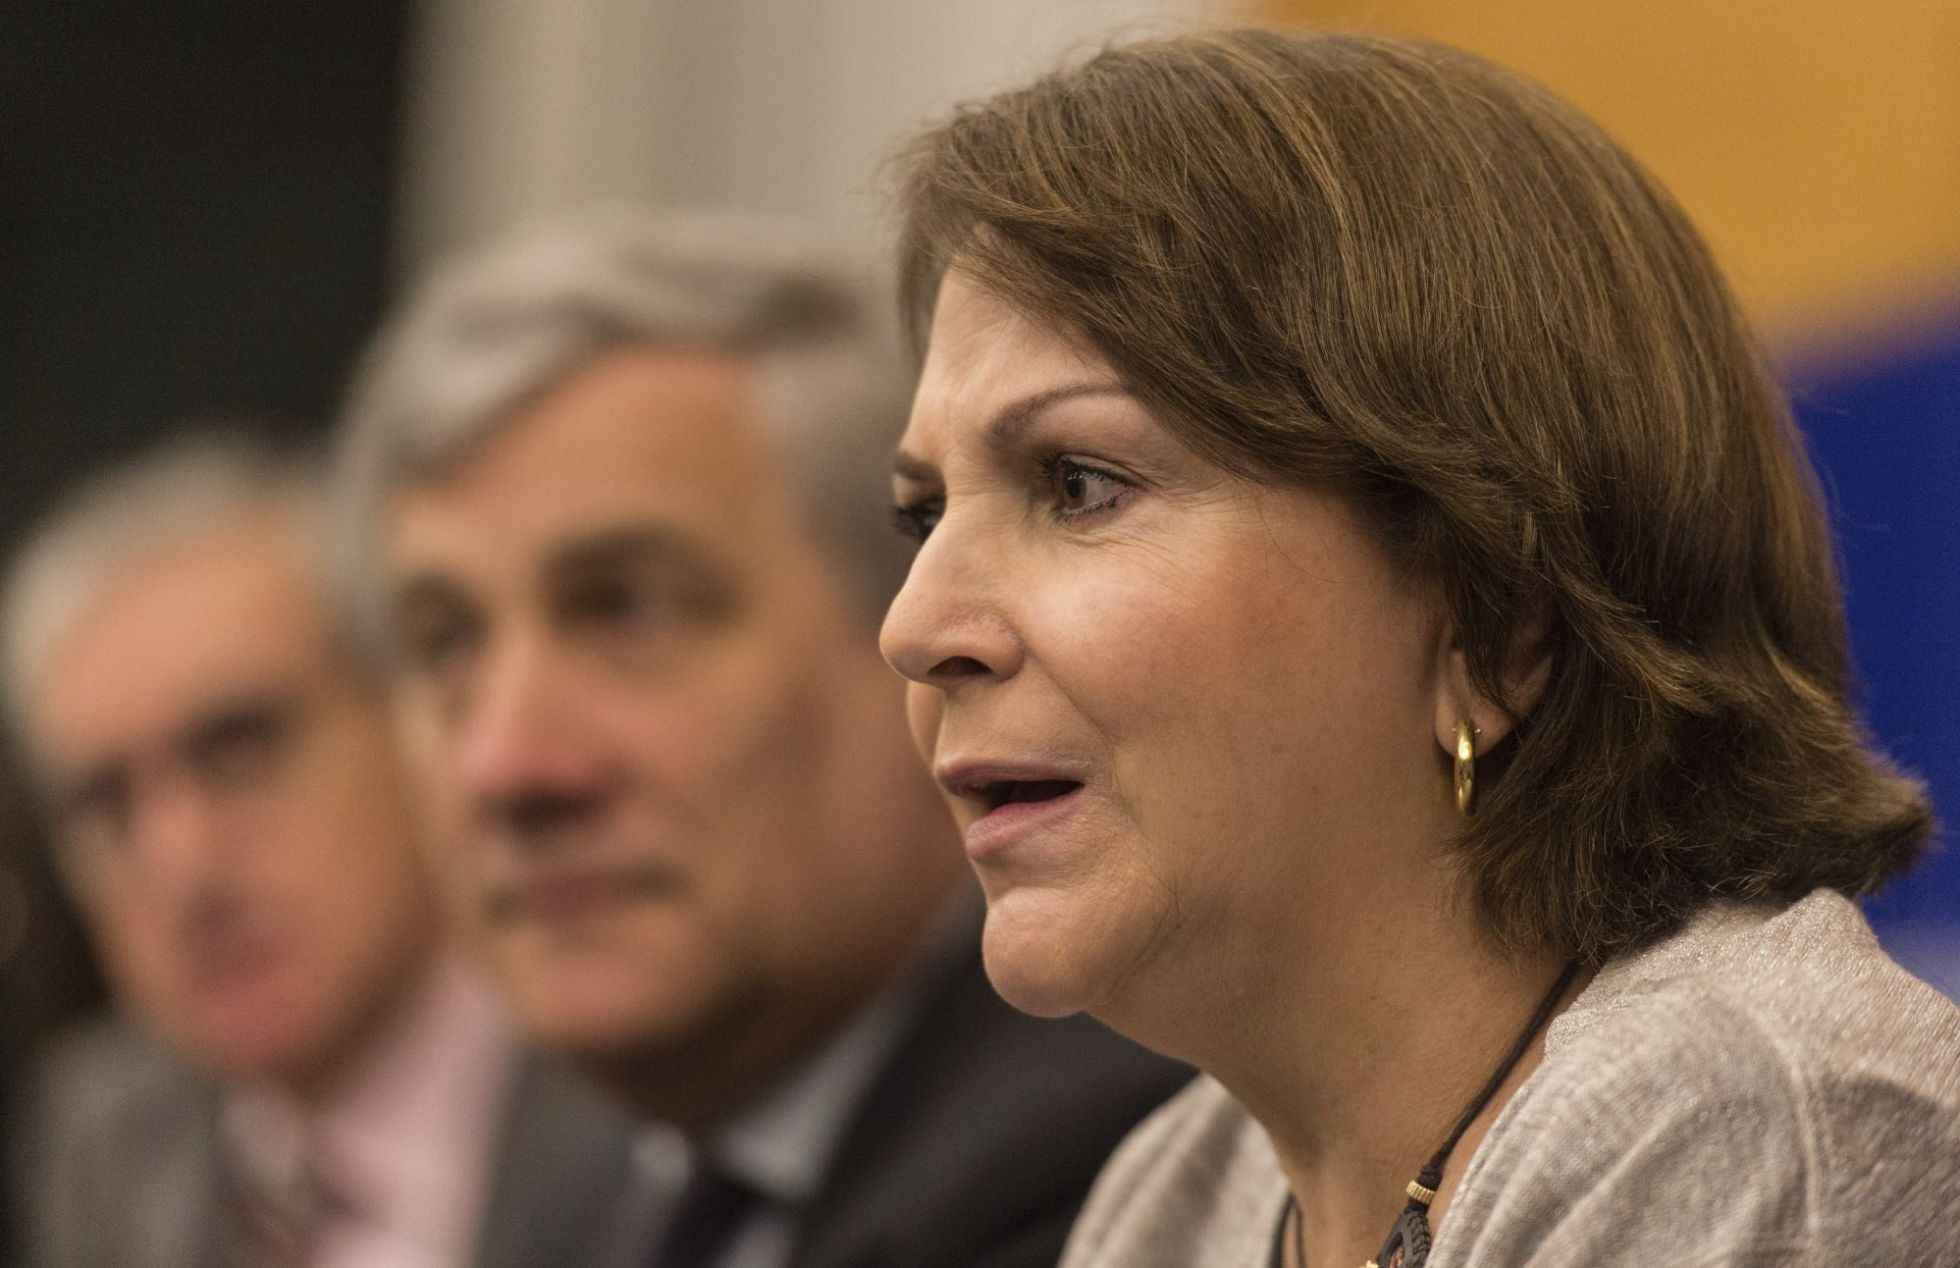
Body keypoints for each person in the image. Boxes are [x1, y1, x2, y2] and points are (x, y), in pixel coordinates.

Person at [879, 30, 1960, 1268]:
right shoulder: (1185, 1189)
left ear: (1495, 620)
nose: (914, 627)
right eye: (921, 514)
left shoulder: (1745, 1126)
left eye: (1078, 483)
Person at [333, 213, 1189, 1268]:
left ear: (915, 635)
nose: (508, 766)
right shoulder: (569, 1217)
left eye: (628, 610)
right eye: (444, 644)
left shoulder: (1127, 1181)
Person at [2, 435, 635, 1268]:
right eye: (108, 805)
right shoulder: (106, 1140)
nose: (181, 864)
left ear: (413, 718)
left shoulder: (642, 1078)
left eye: (239, 749)